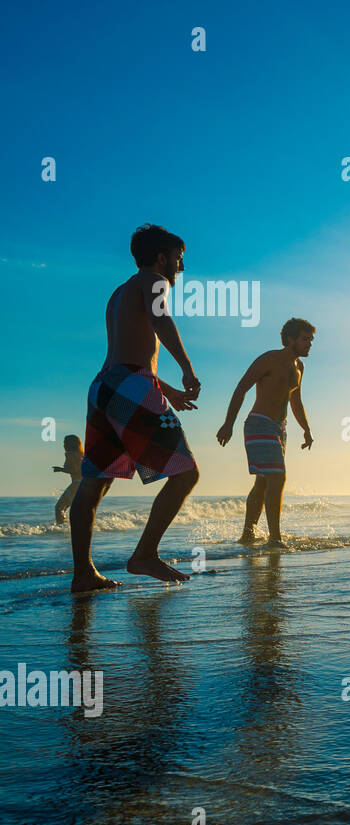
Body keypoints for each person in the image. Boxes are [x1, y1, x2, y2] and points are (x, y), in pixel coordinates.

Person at [70, 225, 201, 592]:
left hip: (104, 388)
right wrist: (187, 368)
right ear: (161, 258)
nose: (181, 267)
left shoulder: (119, 293)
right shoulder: (154, 281)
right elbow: (160, 323)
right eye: (178, 259)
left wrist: (166, 389)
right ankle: (144, 554)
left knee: (94, 483)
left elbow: (129, 351)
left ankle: (83, 574)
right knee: (186, 474)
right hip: (131, 384)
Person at [216, 318, 316, 546]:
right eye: (305, 339)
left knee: (263, 482)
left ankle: (247, 535)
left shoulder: (299, 367)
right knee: (277, 477)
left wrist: (306, 429)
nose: (309, 344)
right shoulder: (269, 359)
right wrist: (228, 424)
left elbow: (296, 401)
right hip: (259, 423)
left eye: (311, 340)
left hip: (280, 429)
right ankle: (275, 539)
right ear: (290, 339)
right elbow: (241, 387)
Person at [52, 435, 83, 525]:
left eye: (65, 443)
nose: (63, 445)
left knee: (59, 508)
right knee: (74, 510)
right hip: (82, 484)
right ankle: (73, 526)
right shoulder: (80, 454)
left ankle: (62, 528)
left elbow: (75, 470)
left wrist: (60, 469)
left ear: (70, 444)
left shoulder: (71, 454)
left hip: (76, 484)